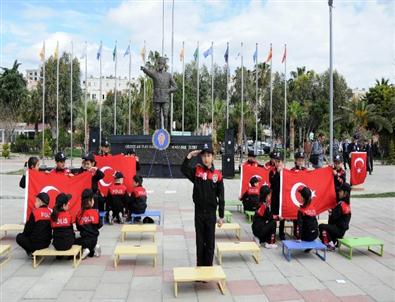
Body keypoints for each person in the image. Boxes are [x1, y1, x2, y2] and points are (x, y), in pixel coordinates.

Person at [181, 144, 225, 266]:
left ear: (213, 157)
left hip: (211, 214)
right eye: (204, 155)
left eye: (209, 155)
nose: (206, 158)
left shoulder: (217, 174)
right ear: (201, 157)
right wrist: (189, 156)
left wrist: (221, 216)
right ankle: (200, 267)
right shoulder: (197, 171)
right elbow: (183, 169)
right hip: (199, 212)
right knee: (200, 241)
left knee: (210, 242)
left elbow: (221, 197)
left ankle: (208, 267)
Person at [16, 192, 52, 257]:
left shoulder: (35, 212)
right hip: (47, 243)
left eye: (36, 201)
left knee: (19, 237)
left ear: (40, 202)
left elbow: (27, 231)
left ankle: (31, 251)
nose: (35, 203)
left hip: (36, 244)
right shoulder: (50, 213)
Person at [319, 183, 351, 250]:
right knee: (328, 228)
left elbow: (332, 219)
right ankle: (333, 240)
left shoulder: (341, 205)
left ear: (345, 193)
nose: (339, 193)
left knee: (321, 226)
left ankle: (330, 244)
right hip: (342, 231)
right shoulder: (347, 205)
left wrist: (330, 213)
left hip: (338, 230)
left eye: (340, 191)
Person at [75, 189, 102, 259]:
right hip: (94, 239)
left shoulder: (79, 214)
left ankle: (85, 249)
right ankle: (94, 247)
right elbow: (99, 225)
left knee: (74, 241)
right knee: (91, 254)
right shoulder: (95, 212)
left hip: (84, 239)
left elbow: (78, 228)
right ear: (91, 201)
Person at [269, 151, 285, 240]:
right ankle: (273, 232)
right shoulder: (272, 171)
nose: (278, 163)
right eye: (276, 161)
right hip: (275, 196)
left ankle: (282, 233)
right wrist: (278, 173)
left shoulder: (285, 171)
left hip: (282, 197)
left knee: (282, 215)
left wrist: (282, 172)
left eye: (279, 161)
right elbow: (272, 182)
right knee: (274, 215)